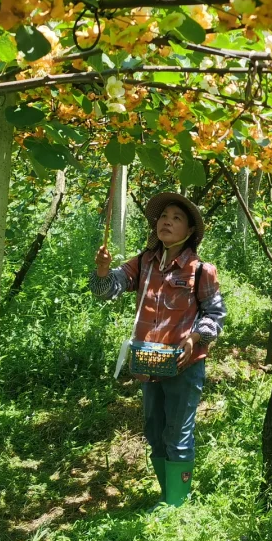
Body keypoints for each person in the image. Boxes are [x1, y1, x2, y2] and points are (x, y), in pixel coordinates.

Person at [91, 193, 225, 507]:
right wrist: (101, 270)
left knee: (177, 434)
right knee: (154, 432)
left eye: (177, 217)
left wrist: (193, 339)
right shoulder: (144, 262)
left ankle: (176, 506)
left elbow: (215, 314)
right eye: (164, 215)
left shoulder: (200, 270)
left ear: (190, 231)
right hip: (149, 361)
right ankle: (168, 496)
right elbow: (107, 290)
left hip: (184, 365)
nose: (167, 220)